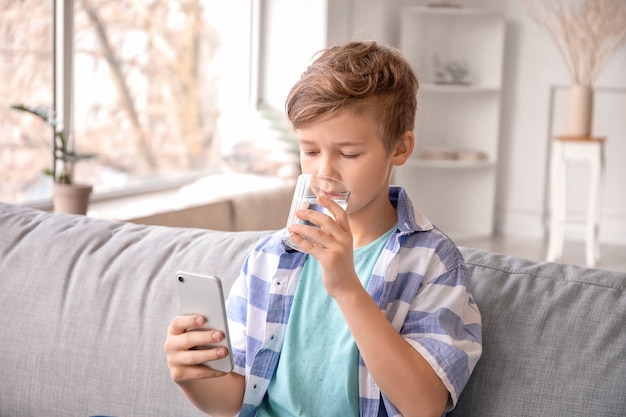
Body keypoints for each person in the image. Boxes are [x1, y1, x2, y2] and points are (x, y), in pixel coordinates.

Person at [165, 40, 482, 417]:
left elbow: (423, 406)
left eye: (348, 154)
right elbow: (231, 401)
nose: (324, 173)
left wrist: (347, 288)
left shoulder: (432, 261)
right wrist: (194, 374)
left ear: (399, 148)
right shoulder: (271, 258)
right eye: (310, 151)